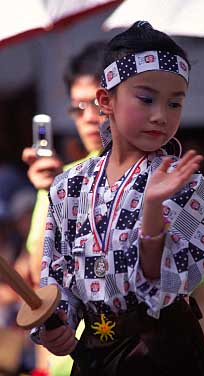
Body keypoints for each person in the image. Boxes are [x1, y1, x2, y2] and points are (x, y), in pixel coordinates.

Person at [29, 21, 204, 375]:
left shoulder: (185, 183)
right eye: (146, 99)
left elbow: (165, 289)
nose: (161, 115)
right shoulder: (69, 186)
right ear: (105, 100)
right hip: (95, 353)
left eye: (175, 103)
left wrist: (151, 209)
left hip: (165, 352)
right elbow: (56, 274)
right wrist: (60, 323)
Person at [22, 41, 107, 376]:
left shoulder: (174, 182)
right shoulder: (64, 183)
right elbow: (38, 279)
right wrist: (47, 192)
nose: (87, 118)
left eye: (97, 103)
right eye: (77, 107)